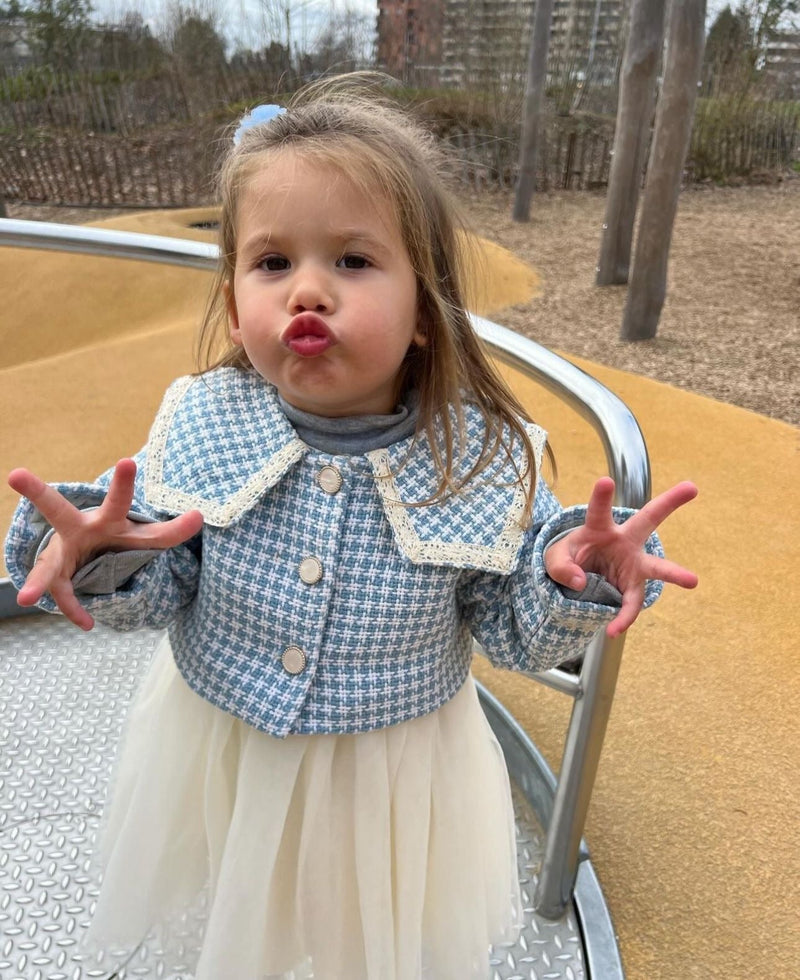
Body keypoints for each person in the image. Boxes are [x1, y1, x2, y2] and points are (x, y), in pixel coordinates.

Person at [4, 76, 697, 980]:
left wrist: (573, 573)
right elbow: (165, 581)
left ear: (424, 310)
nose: (308, 293)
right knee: (245, 902)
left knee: (367, 939)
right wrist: (101, 558)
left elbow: (511, 626)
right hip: (229, 748)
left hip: (394, 778)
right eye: (272, 263)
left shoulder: (478, 458)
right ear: (233, 295)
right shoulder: (205, 420)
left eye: (354, 262)